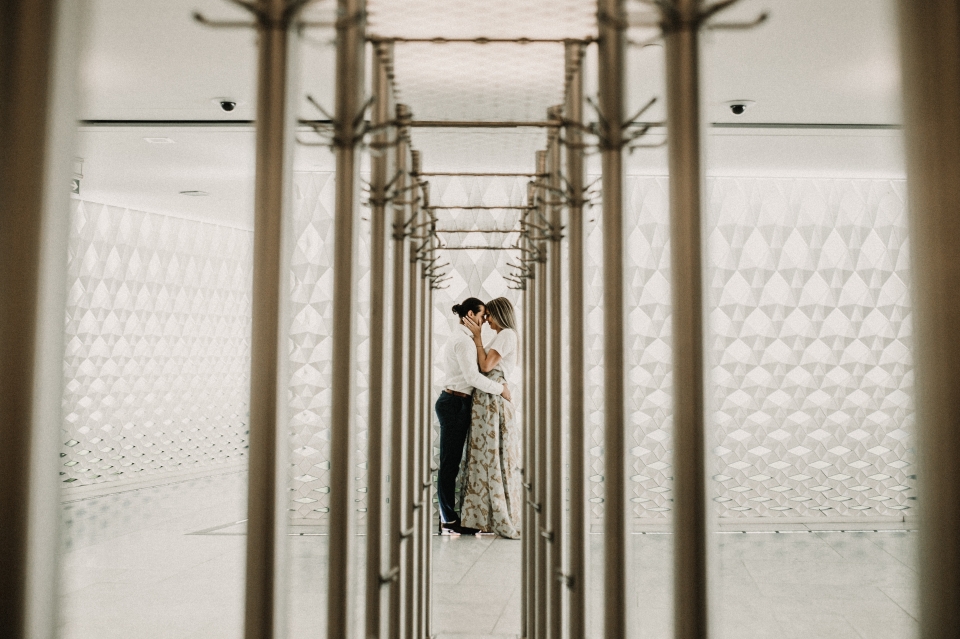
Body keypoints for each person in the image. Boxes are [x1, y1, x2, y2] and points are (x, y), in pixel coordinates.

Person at [435, 297, 512, 535]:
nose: (484, 322)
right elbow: (473, 378)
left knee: (454, 462)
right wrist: (502, 390)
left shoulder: (465, 339)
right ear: (470, 315)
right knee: (450, 463)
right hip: (455, 402)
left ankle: (452, 516)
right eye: (481, 317)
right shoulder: (463, 341)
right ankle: (448, 519)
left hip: (457, 401)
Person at [458, 297, 522, 539]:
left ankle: (495, 514)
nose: (486, 321)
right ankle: (484, 516)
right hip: (488, 396)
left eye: (489, 316)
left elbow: (485, 366)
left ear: (499, 314)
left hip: (491, 399)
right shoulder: (503, 336)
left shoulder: (506, 335)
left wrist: (477, 338)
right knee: (486, 453)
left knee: (491, 454)